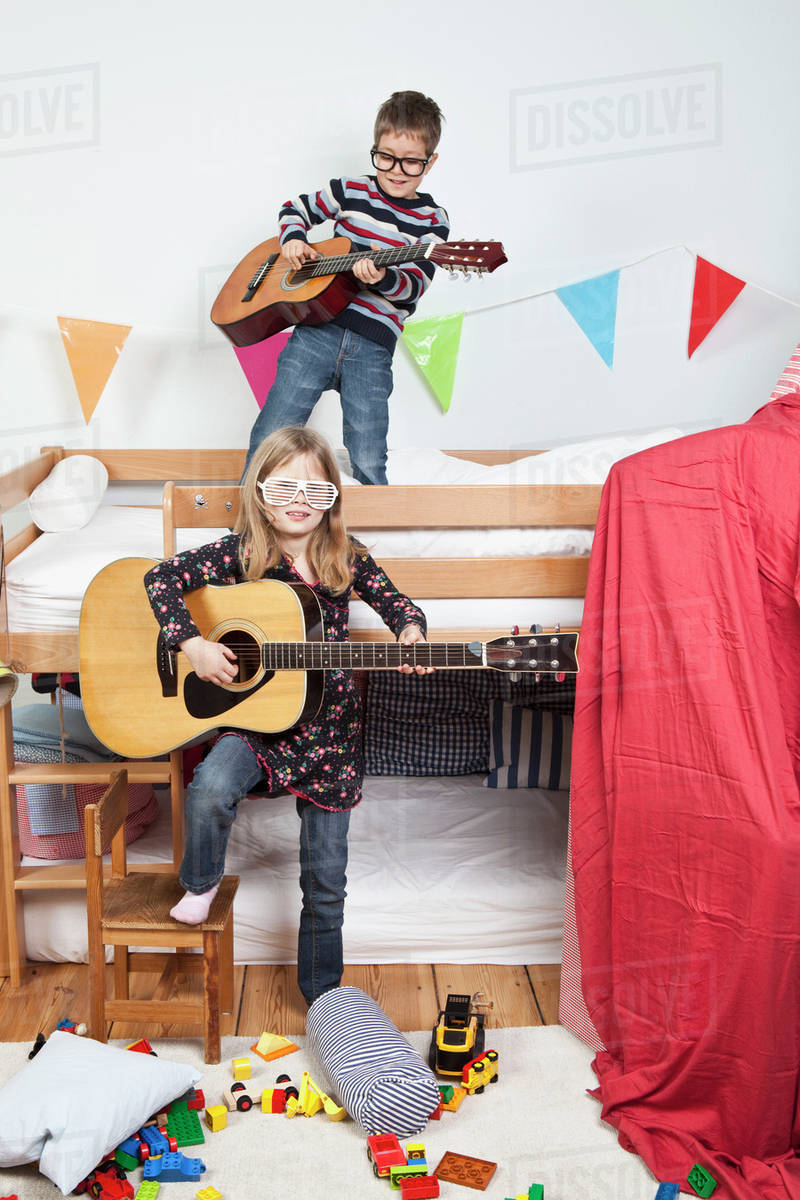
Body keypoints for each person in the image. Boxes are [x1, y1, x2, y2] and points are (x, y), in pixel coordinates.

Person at [144, 426, 432, 1005]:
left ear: (331, 499)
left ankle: (324, 999)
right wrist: (193, 645)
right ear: (260, 493)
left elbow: (401, 606)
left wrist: (411, 631)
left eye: (315, 491)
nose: (299, 501)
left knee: (325, 883)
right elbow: (160, 579)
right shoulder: (241, 554)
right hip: (259, 724)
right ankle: (199, 885)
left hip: (331, 739)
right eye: (284, 488)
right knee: (208, 788)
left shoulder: (348, 558)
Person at [243, 90, 449, 485]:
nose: (397, 169)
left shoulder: (432, 220)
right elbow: (295, 209)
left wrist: (383, 277)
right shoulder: (352, 189)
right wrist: (293, 239)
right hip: (316, 332)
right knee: (272, 432)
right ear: (375, 149)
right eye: (386, 156)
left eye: (412, 161)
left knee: (369, 453)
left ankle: (370, 540)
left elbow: (413, 286)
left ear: (431, 160)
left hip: (372, 347)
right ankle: (243, 532)